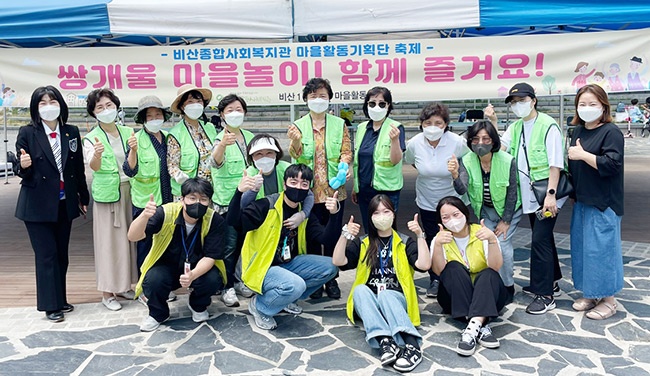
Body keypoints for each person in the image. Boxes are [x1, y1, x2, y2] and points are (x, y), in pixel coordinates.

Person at [227, 164, 340, 330]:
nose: (298, 187)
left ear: (308, 188)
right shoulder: (267, 205)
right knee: (296, 285)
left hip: (287, 264)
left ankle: (285, 300)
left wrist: (334, 214)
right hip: (261, 267)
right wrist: (239, 193)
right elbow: (234, 222)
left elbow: (326, 239)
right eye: (293, 182)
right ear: (285, 183)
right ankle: (260, 306)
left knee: (331, 267)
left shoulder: (303, 213)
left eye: (304, 184)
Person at [15, 86, 90, 322]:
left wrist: (83, 197)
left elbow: (77, 168)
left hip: (63, 202)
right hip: (36, 205)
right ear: (36, 108)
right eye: (43, 103)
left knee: (61, 255)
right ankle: (50, 305)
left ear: (61, 104)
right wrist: (23, 167)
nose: (49, 106)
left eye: (52, 101)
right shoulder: (27, 132)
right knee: (46, 255)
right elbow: (20, 169)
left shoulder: (71, 131)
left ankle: (60, 298)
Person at [332, 195, 430, 372]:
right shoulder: (363, 242)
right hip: (370, 304)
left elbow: (424, 265)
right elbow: (339, 261)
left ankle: (412, 345)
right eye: (376, 213)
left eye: (386, 211)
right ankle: (386, 341)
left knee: (386, 294)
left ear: (393, 214)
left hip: (396, 300)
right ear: (370, 217)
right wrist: (344, 236)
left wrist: (420, 235)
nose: (382, 216)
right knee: (360, 290)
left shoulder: (404, 241)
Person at [501, 82, 566, 315]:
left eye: (522, 101)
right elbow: (501, 147)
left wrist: (551, 195)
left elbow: (555, 164)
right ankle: (553, 282)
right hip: (529, 194)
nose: (519, 106)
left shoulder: (548, 125)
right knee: (543, 238)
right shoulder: (516, 126)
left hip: (546, 194)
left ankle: (545, 294)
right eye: (514, 102)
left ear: (533, 100)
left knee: (539, 241)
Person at [128, 178, 227, 332]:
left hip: (197, 267)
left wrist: (192, 275)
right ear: (182, 200)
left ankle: (197, 305)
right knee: (153, 280)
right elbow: (133, 236)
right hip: (166, 265)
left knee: (213, 279)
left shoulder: (215, 220)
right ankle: (158, 313)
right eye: (192, 198)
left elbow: (210, 256)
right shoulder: (165, 213)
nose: (197, 203)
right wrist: (144, 216)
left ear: (209, 202)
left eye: (203, 199)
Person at [287, 77, 352, 300]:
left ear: (329, 99)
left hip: (334, 192)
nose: (318, 100)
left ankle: (332, 279)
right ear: (306, 99)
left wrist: (346, 166)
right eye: (313, 96)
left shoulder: (339, 124)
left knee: (333, 236)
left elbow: (346, 152)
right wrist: (295, 141)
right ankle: (316, 279)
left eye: (322, 96)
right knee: (313, 237)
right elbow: (295, 156)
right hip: (309, 193)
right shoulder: (298, 126)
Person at [567, 84, 624, 320]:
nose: (587, 108)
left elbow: (612, 164)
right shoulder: (578, 131)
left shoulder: (611, 132)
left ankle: (609, 300)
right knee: (584, 251)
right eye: (582, 104)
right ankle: (591, 293)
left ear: (603, 106)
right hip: (582, 201)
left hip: (603, 203)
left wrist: (583, 155)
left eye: (593, 104)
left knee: (603, 251)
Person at [403, 102, 470, 299]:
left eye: (438, 123)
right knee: (434, 240)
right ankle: (436, 278)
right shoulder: (415, 143)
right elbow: (411, 161)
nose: (433, 127)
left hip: (453, 202)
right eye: (428, 122)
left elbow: (467, 164)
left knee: (457, 238)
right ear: (421, 124)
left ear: (446, 124)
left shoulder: (456, 142)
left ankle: (461, 275)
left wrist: (455, 173)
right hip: (427, 201)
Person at [450, 120, 521, 303]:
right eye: (476, 139)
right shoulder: (466, 160)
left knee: (502, 245)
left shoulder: (507, 160)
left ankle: (507, 287)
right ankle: (489, 283)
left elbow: (512, 192)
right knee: (487, 244)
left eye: (485, 139)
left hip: (508, 211)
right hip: (486, 211)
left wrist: (506, 221)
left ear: (494, 141)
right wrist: (456, 175)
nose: (480, 143)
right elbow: (462, 189)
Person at [82, 88, 137, 311]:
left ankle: (124, 285)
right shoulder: (90, 137)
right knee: (108, 243)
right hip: (108, 196)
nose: (106, 111)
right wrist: (96, 154)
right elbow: (93, 167)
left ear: (117, 107)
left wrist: (133, 150)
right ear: (93, 113)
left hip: (130, 191)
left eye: (109, 106)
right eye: (100, 108)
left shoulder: (128, 132)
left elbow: (134, 164)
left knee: (128, 241)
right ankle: (107, 292)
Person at [431, 196, 507, 357]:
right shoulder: (440, 238)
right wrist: (438, 245)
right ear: (441, 221)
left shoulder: (482, 233)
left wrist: (492, 239)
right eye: (446, 217)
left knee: (488, 274)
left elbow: (495, 267)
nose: (452, 220)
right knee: (453, 268)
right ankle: (481, 323)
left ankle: (472, 327)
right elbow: (439, 272)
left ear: (465, 213)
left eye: (456, 214)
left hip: (488, 294)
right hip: (454, 298)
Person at [210, 94, 256, 307]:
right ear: (222, 115)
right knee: (228, 246)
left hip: (249, 201)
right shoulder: (219, 139)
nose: (235, 114)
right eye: (229, 110)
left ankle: (240, 281)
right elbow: (215, 161)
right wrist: (222, 146)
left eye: (238, 109)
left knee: (245, 244)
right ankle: (226, 286)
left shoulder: (250, 136)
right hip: (227, 202)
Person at [123, 95, 174, 274]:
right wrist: (133, 151)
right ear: (143, 119)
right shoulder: (135, 139)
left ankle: (162, 285)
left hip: (168, 200)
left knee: (166, 242)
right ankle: (145, 286)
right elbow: (129, 170)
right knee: (146, 245)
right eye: (149, 116)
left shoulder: (169, 138)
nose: (154, 119)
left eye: (157, 115)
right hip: (146, 202)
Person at [352, 86, 406, 233]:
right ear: (366, 105)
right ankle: (371, 255)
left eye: (382, 103)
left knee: (386, 229)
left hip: (386, 190)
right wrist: (355, 187)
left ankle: (389, 256)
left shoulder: (396, 128)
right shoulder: (362, 128)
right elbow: (359, 160)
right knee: (369, 229)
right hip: (364, 190)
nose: (377, 107)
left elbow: (395, 160)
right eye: (372, 103)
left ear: (388, 106)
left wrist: (395, 141)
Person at [240, 134, 314, 219]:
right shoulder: (249, 174)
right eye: (259, 154)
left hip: (286, 216)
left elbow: (309, 195)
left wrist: (303, 214)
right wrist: (253, 190)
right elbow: (243, 205)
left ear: (276, 154)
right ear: (252, 157)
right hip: (259, 217)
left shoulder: (287, 168)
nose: (264, 158)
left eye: (269, 153)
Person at [167, 84, 216, 200]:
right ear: (182, 106)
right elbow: (172, 166)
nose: (195, 104)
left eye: (198, 101)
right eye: (190, 102)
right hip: (186, 194)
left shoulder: (210, 128)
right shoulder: (176, 133)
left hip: (209, 191)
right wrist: (187, 182)